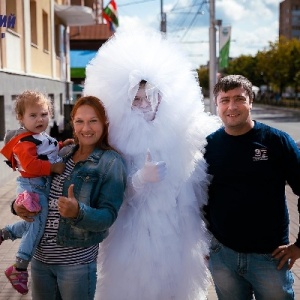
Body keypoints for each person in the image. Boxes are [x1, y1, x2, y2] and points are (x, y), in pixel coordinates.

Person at [84, 27, 220, 299]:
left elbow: (198, 183)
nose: (145, 103)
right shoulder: (117, 139)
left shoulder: (185, 130)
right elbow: (114, 195)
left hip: (177, 231)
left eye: (150, 97)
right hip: (134, 233)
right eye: (136, 99)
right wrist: (140, 179)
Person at [11, 95, 127, 300]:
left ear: (104, 123)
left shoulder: (111, 162)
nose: (86, 128)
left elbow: (108, 216)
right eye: (80, 121)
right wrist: (17, 206)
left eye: (93, 121)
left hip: (75, 266)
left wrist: (78, 213)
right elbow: (34, 186)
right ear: (72, 123)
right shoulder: (61, 153)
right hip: (40, 261)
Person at [204, 75, 300, 300]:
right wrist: (206, 245)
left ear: (251, 102)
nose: (232, 106)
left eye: (239, 99)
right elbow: (200, 198)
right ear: (216, 104)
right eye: (224, 100)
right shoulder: (208, 146)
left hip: (269, 258)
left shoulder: (277, 142)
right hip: (223, 257)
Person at [0, 90, 73, 295]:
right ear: (21, 118)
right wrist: (52, 168)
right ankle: (19, 267)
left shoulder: (41, 137)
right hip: (32, 187)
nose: (40, 119)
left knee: (35, 223)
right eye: (33, 115)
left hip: (40, 186)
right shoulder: (24, 142)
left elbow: (48, 149)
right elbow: (31, 165)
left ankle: (5, 233)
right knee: (37, 225)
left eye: (44, 114)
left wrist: (61, 145)